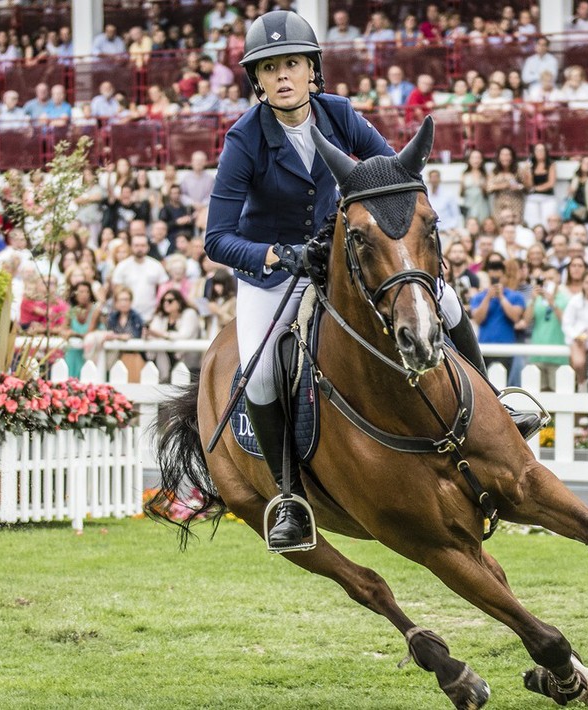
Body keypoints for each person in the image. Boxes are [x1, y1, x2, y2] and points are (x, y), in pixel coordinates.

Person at [203, 12, 542, 549]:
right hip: (274, 276)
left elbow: (397, 175)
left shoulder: (338, 114)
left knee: (445, 303)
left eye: (292, 63)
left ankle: (494, 407)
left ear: (312, 70)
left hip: (349, 261)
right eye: (270, 69)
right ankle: (290, 496)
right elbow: (216, 239)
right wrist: (279, 254)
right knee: (263, 372)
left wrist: (405, 238)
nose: (283, 76)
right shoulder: (244, 140)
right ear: (258, 80)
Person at [469, 258, 525, 374]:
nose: (495, 281)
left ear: (504, 277)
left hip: (505, 349)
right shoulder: (479, 297)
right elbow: (478, 319)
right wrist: (488, 297)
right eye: (492, 278)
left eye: (498, 278)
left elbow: (515, 317)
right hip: (484, 348)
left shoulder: (515, 296)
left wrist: (501, 297)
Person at [524, 263, 570, 391]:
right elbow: (526, 321)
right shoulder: (537, 298)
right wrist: (532, 300)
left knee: (558, 395)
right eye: (546, 279)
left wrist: (553, 303)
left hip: (558, 355)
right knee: (539, 395)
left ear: (558, 279)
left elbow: (567, 323)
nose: (548, 282)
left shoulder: (565, 299)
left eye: (551, 278)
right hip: (537, 353)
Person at [146, 288, 201, 382]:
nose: (166, 303)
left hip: (187, 363)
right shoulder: (160, 316)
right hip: (164, 362)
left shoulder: (190, 314)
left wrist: (163, 335)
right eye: (163, 301)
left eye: (170, 301)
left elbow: (185, 335)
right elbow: (151, 333)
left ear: (179, 302)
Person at [64, 282, 102, 378]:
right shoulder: (71, 310)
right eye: (81, 292)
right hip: (73, 352)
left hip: (89, 353)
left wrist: (73, 334)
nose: (84, 295)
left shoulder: (95, 310)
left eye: (87, 292)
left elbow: (88, 334)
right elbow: (64, 329)